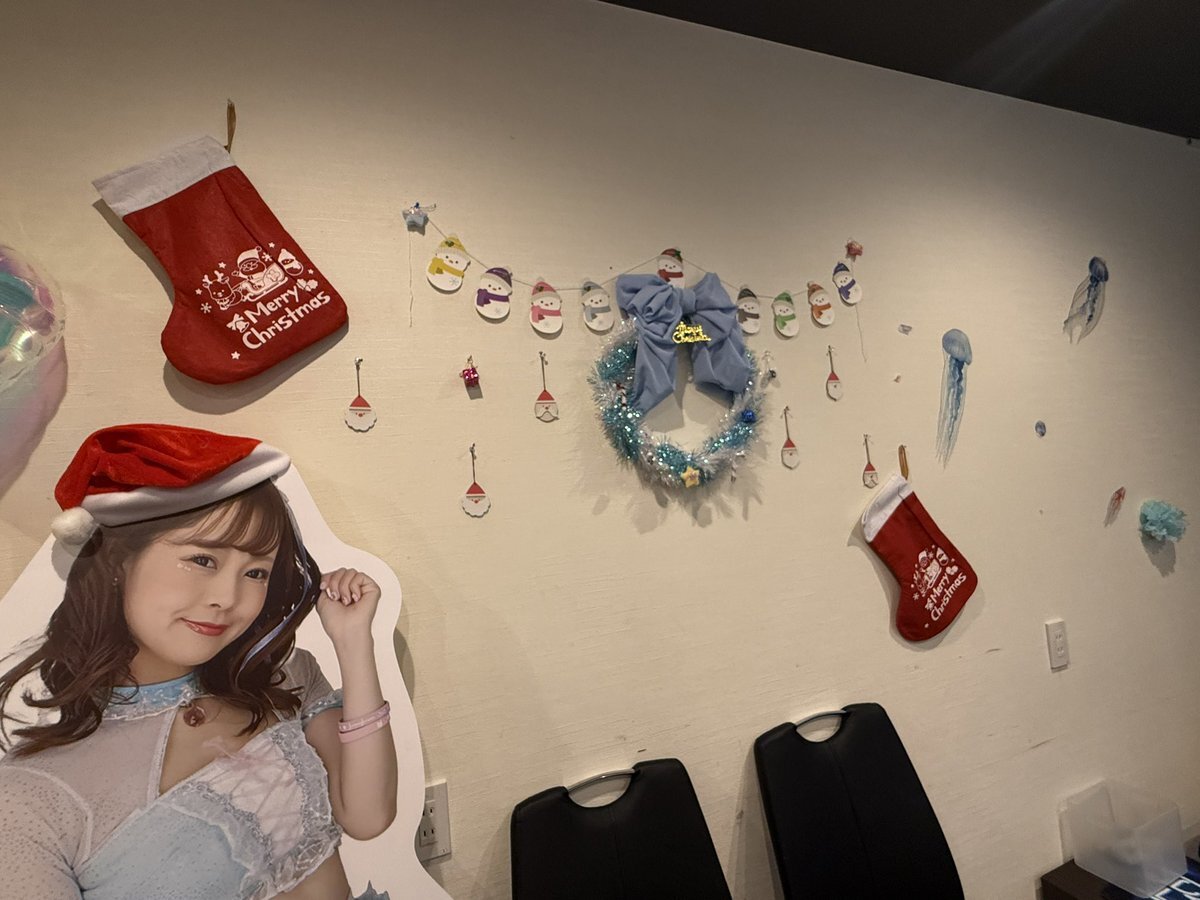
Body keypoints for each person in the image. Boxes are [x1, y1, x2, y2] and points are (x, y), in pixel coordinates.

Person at [0, 424, 396, 899]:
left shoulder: (285, 678)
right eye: (203, 560)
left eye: (256, 572)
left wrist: (353, 642)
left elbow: (368, 816)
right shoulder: (29, 797)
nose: (227, 598)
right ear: (119, 562)